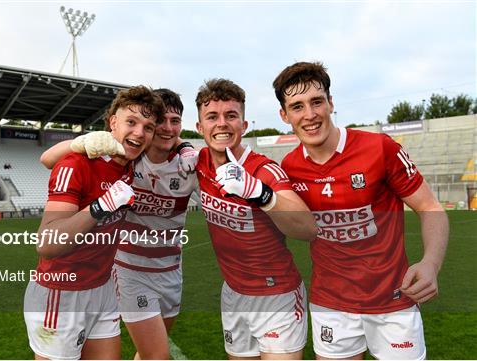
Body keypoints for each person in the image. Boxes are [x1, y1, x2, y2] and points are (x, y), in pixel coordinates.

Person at [272, 61, 449, 360]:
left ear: (330, 103)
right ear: (284, 115)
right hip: (331, 304)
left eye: (317, 102)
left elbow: (429, 206)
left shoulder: (380, 148)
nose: (310, 115)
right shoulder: (289, 168)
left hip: (394, 299)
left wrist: (431, 263)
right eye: (297, 106)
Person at [40, 88, 198, 360]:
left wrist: (186, 147)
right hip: (126, 270)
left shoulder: (186, 164)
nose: (166, 128)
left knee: (149, 353)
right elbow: (47, 159)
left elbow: (169, 136)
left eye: (175, 122)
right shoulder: (129, 159)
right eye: (161, 122)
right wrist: (84, 140)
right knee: (158, 355)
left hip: (170, 270)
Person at [194, 78, 317, 360]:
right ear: (200, 128)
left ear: (244, 125)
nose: (222, 123)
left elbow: (308, 227)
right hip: (233, 293)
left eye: (231, 115)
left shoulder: (262, 170)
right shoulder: (197, 162)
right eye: (212, 117)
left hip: (276, 296)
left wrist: (259, 193)